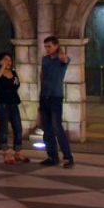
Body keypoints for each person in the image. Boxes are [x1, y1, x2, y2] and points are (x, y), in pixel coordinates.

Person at [38, 36, 74, 168]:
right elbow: (42, 75)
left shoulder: (62, 59)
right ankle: (52, 156)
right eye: (45, 46)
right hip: (45, 96)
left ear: (56, 46)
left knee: (57, 127)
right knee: (47, 129)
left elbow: (65, 59)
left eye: (49, 46)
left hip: (55, 97)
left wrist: (60, 52)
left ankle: (68, 157)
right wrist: (41, 94)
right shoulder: (45, 59)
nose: (47, 49)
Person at [0, 51, 28, 165]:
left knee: (18, 128)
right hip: (3, 104)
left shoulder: (13, 72)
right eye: (5, 59)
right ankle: (6, 153)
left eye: (10, 60)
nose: (9, 62)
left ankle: (17, 152)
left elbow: (17, 84)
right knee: (4, 129)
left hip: (14, 104)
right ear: (0, 61)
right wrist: (3, 66)